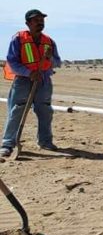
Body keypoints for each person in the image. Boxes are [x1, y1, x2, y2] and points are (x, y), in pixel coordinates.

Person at [1, 9, 62, 157]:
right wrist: (29, 73)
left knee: (45, 111)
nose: (40, 22)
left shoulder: (49, 41)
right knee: (17, 110)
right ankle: (8, 144)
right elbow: (12, 61)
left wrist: (49, 59)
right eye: (36, 20)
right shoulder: (18, 38)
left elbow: (58, 62)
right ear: (28, 23)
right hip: (23, 80)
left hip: (43, 81)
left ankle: (45, 141)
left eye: (42, 20)